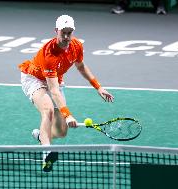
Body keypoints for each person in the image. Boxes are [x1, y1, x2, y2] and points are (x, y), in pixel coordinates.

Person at [18, 15, 114, 172]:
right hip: (34, 78)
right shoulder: (49, 54)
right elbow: (53, 90)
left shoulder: (76, 46)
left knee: (61, 132)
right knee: (47, 109)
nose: (66, 36)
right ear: (56, 30)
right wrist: (68, 115)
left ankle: (42, 137)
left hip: (55, 78)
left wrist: (98, 87)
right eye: (63, 32)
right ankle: (46, 153)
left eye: (69, 32)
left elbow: (81, 66)